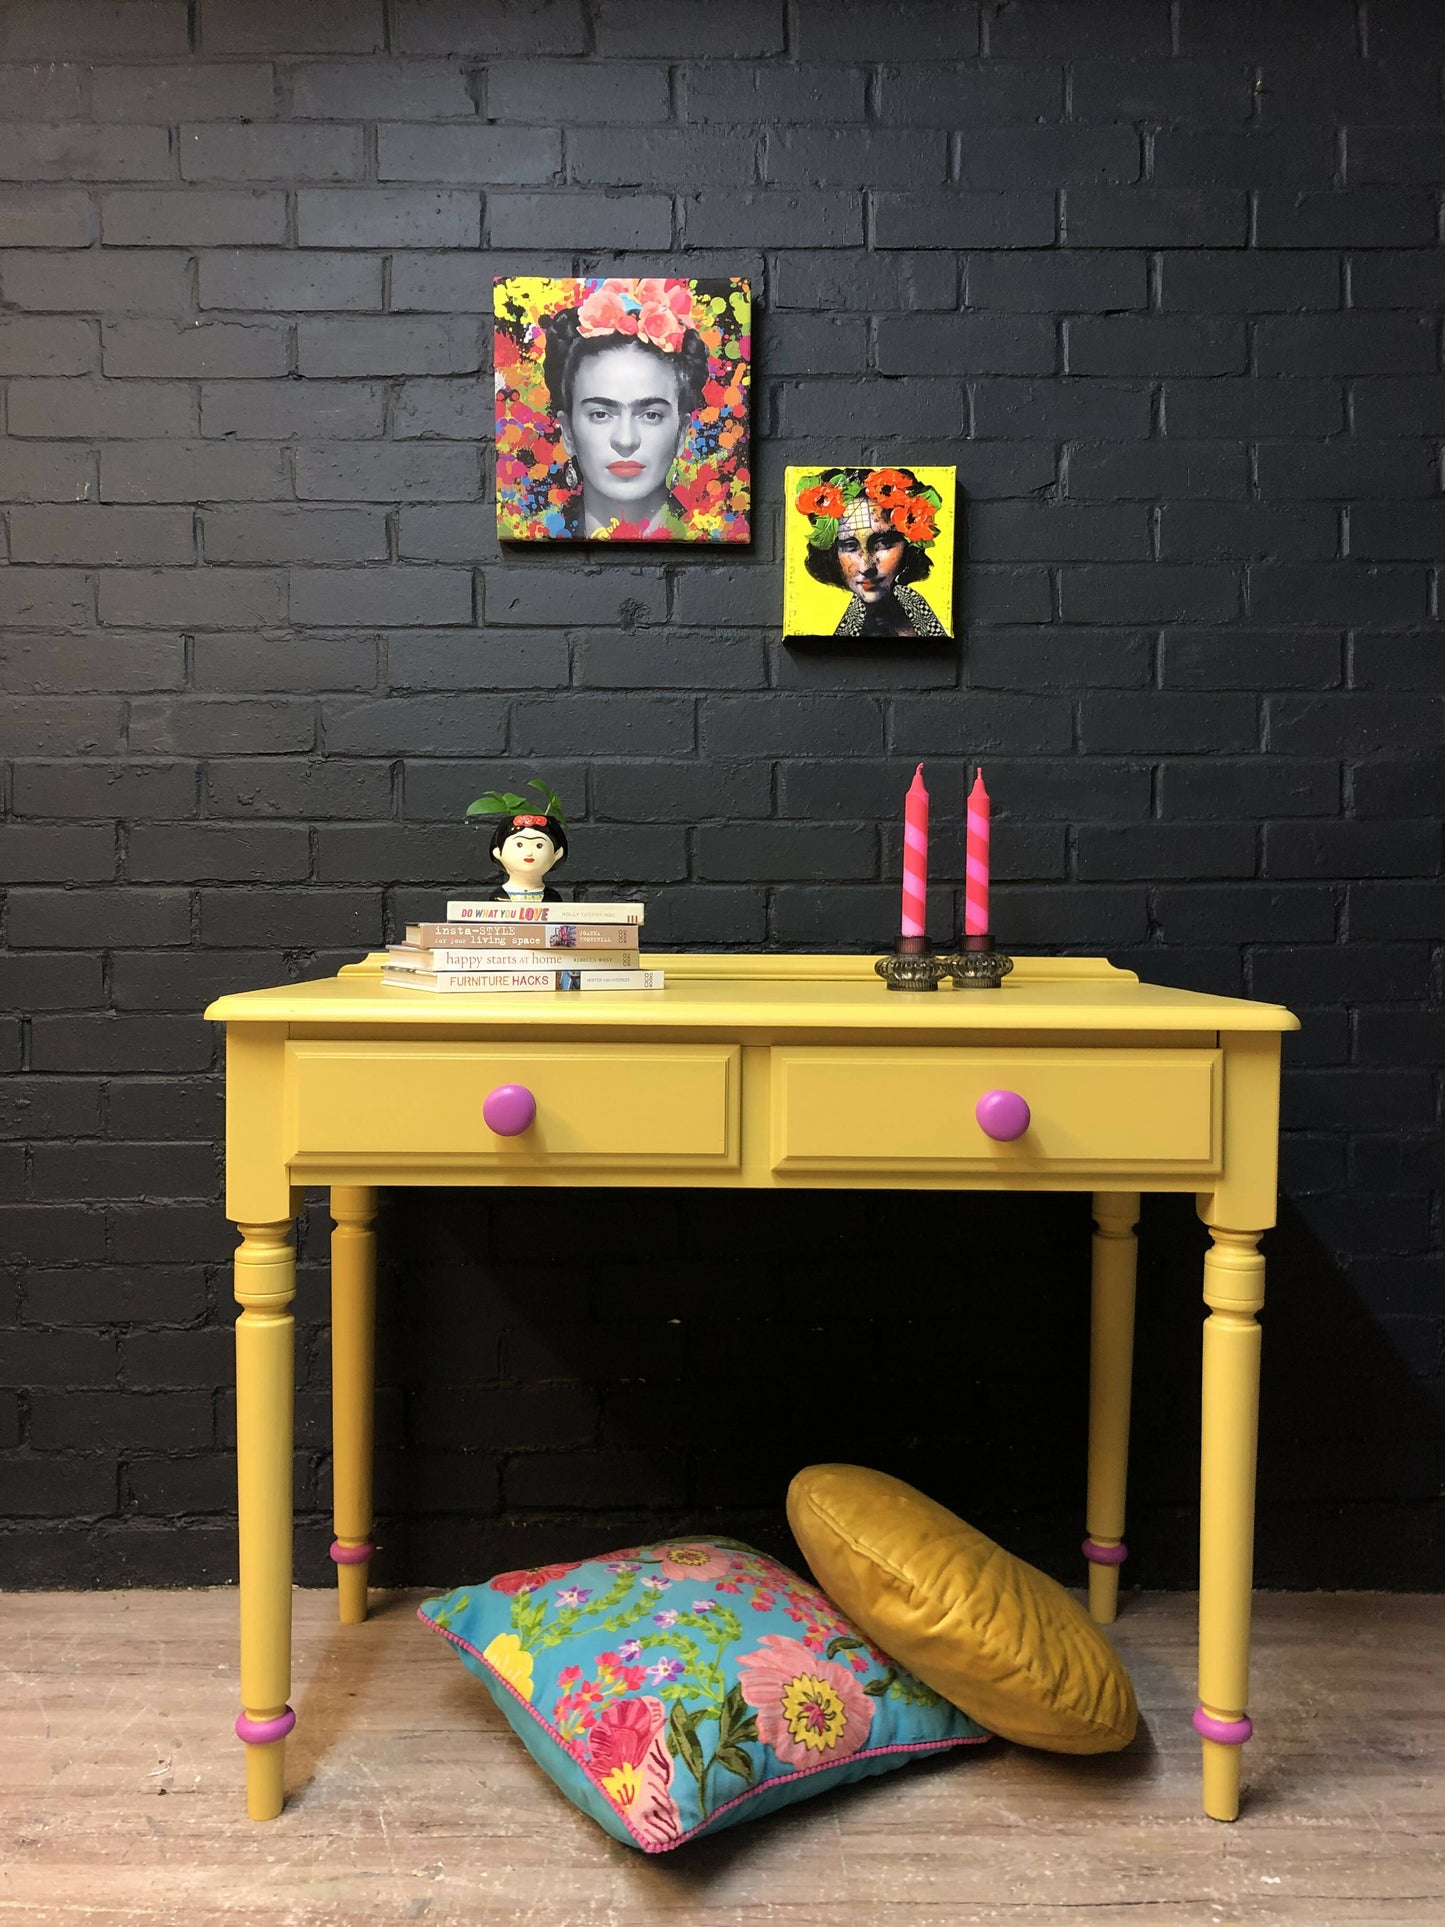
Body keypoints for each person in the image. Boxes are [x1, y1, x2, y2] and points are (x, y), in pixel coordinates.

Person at [541, 281, 711, 539]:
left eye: (651, 415)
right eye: (601, 414)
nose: (626, 440)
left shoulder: (705, 533)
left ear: (682, 433)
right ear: (567, 432)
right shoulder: (545, 534)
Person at [795, 467, 948, 639]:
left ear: (908, 546)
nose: (867, 566)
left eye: (883, 544)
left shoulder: (924, 621)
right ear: (833, 554)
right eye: (850, 546)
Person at [486, 812, 568, 902]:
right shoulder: (498, 898)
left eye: (539, 845)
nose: (529, 853)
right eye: (519, 845)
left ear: (557, 854)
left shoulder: (551, 898)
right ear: (498, 853)